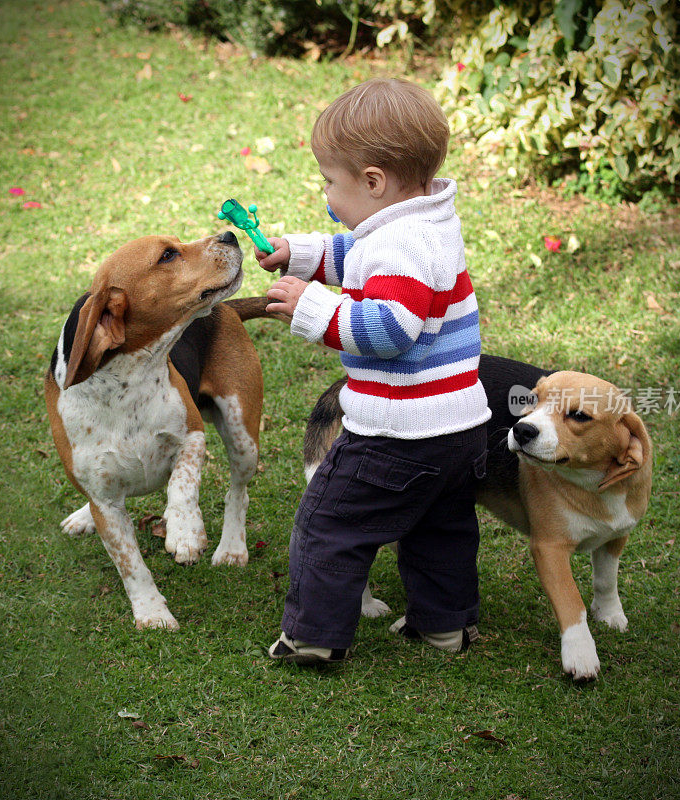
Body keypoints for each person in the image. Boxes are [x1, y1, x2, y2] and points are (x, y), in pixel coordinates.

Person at [255, 77, 491, 665]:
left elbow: (388, 329)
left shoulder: (398, 246)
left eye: (330, 181)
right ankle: (446, 626)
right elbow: (363, 256)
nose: (325, 193)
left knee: (330, 523)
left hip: (398, 432)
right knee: (440, 528)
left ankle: (313, 637)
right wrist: (302, 254)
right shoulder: (425, 222)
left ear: (373, 182)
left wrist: (313, 309)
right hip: (459, 427)